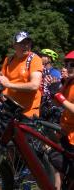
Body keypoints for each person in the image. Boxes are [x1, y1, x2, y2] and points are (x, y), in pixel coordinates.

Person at [0, 31, 43, 117]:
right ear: (14, 45)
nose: (26, 46)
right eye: (22, 43)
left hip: (28, 112)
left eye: (28, 43)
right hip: (10, 109)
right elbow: (3, 80)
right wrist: (1, 87)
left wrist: (9, 85)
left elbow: (34, 86)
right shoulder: (8, 60)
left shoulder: (35, 59)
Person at [48, 50, 74, 190]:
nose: (68, 67)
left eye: (73, 64)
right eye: (66, 64)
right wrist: (53, 92)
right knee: (56, 161)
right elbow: (58, 103)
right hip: (64, 132)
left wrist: (59, 97)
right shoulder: (69, 82)